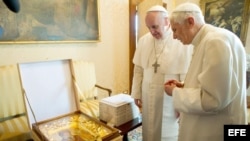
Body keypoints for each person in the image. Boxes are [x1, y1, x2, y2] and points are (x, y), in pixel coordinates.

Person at [164, 2, 248, 141]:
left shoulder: (214, 41)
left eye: (175, 30)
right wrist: (184, 85)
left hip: (215, 130)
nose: (174, 36)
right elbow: (219, 84)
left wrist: (175, 92)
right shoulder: (211, 38)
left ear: (190, 21)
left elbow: (213, 100)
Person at [131, 5, 193, 141]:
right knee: (148, 130)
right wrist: (136, 93)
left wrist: (182, 104)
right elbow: (138, 70)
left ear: (167, 22)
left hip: (169, 99)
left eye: (154, 27)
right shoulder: (143, 41)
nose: (152, 32)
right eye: (148, 27)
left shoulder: (180, 40)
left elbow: (186, 76)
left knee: (168, 133)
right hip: (147, 95)